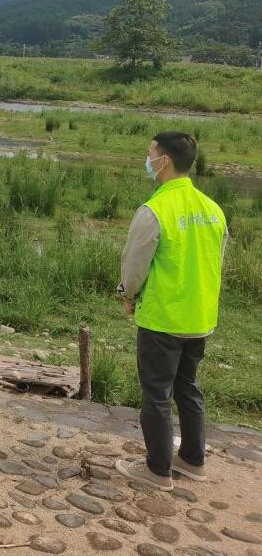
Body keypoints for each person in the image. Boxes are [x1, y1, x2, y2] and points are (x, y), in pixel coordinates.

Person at [115, 132, 227, 492]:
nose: (147, 159)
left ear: (164, 161)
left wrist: (128, 294)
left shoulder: (155, 210)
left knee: (157, 394)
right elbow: (216, 261)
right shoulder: (213, 210)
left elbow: (135, 264)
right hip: (199, 318)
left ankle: (157, 469)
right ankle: (193, 460)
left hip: (163, 319)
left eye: (150, 153)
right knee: (188, 387)